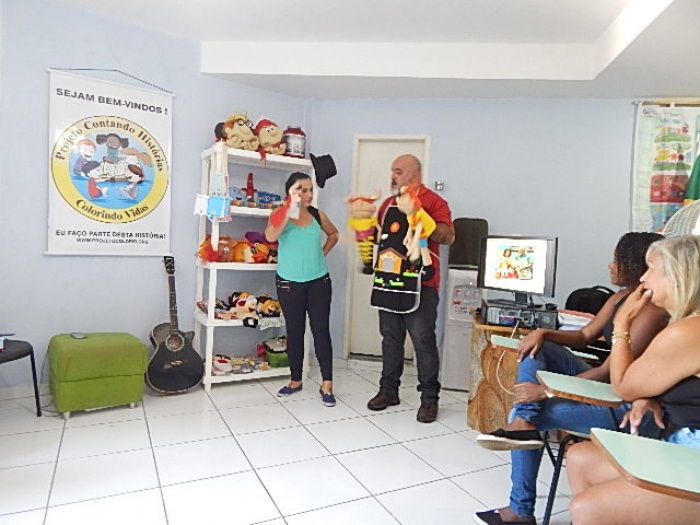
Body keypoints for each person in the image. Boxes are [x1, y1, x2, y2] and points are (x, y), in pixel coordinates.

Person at [473, 232, 669, 525]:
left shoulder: (652, 310)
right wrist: (542, 332)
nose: (610, 266)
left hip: (622, 401)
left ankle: (520, 511)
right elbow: (585, 334)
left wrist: (547, 392)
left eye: (617, 260)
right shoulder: (620, 297)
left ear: (634, 264)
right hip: (605, 385)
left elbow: (609, 373)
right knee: (538, 346)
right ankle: (525, 421)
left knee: (524, 413)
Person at [567, 234, 700, 525]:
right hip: (679, 441)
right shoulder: (683, 324)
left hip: (692, 452)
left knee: (587, 508)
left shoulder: (687, 331)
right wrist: (650, 396)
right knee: (579, 457)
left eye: (652, 269)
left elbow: (623, 386)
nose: (643, 277)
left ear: (679, 277)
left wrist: (622, 325)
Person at [366, 154, 455, 423]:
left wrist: (420, 217)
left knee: (423, 342)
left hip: (422, 285)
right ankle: (388, 391)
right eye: (392, 171)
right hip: (389, 282)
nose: (392, 176)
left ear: (414, 175)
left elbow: (448, 236)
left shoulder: (434, 202)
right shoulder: (387, 204)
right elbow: (380, 236)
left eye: (398, 171)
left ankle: (429, 399)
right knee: (390, 338)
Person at [264, 172, 339, 406]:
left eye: (310, 189)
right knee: (295, 332)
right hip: (289, 283)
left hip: (319, 282)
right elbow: (270, 236)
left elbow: (334, 234)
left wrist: (322, 253)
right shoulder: (279, 214)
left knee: (321, 331)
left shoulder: (317, 214)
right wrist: (289, 211)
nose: (309, 194)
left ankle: (327, 384)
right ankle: (295, 380)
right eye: (303, 190)